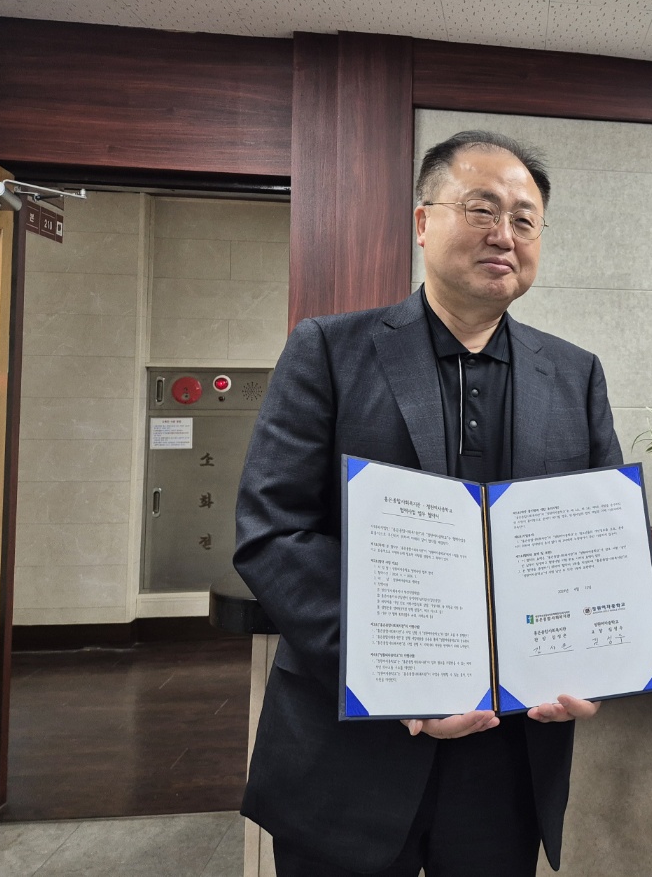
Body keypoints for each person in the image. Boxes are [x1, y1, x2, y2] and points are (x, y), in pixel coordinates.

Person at [234, 131, 620, 877]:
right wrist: (392, 679)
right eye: (481, 209)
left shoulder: (574, 375)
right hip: (348, 753)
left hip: (508, 760)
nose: (503, 234)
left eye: (524, 218)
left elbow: (601, 549)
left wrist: (597, 665)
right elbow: (272, 532)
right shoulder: (329, 350)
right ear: (422, 222)